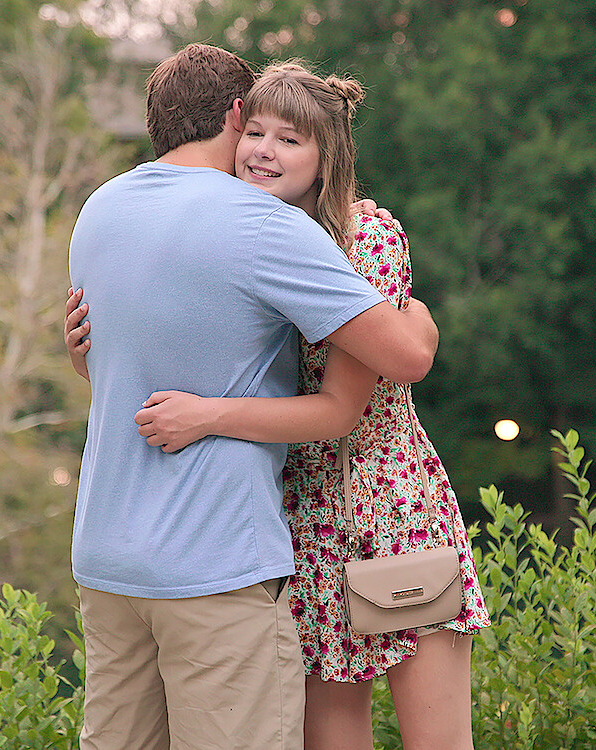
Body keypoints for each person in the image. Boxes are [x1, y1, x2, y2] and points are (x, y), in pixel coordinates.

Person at [67, 62, 489, 750]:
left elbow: (357, 396)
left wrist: (207, 414)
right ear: (233, 122)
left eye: (289, 140)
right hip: (296, 519)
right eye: (256, 131)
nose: (264, 149)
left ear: (329, 157)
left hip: (385, 503)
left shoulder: (360, 238)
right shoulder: (247, 228)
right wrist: (88, 351)